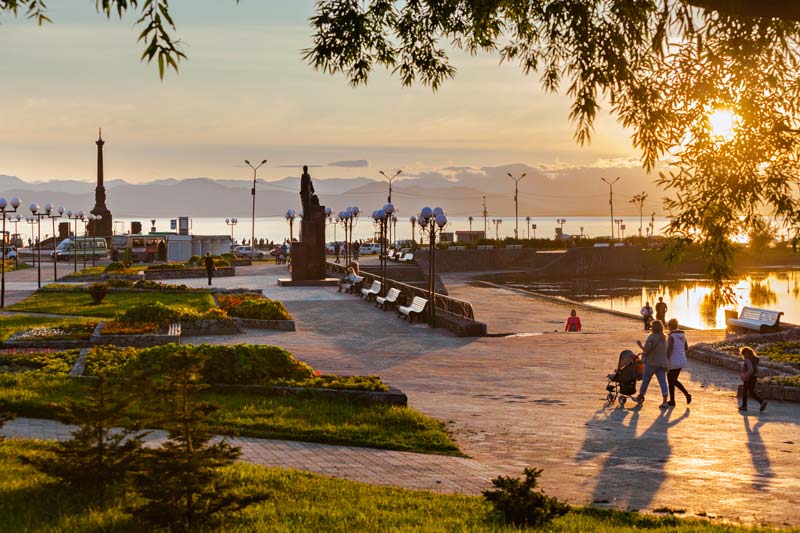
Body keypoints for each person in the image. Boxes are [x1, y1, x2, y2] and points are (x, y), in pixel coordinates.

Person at [635, 319, 669, 409]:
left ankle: (640, 396)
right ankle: (665, 401)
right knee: (663, 382)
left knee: (646, 381)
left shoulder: (651, 337)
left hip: (651, 363)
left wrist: (639, 345)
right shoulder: (664, 338)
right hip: (661, 363)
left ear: (653, 328)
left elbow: (646, 350)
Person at [666, 318, 692, 406]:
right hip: (681, 361)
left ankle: (673, 400)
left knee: (671, 381)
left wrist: (665, 360)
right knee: (673, 380)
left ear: (670, 326)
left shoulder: (671, 337)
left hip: (673, 362)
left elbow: (668, 351)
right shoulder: (682, 335)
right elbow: (686, 348)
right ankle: (686, 394)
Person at [739, 346, 767, 412]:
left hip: (749, 377)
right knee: (751, 391)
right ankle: (762, 402)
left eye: (743, 354)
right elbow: (755, 369)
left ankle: (744, 406)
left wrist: (745, 376)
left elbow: (750, 369)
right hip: (754, 377)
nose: (743, 356)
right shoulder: (754, 359)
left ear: (746, 353)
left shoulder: (748, 360)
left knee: (745, 391)